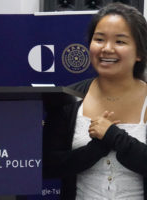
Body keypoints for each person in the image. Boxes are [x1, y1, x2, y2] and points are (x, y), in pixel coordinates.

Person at [43, 2, 147, 200]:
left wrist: (114, 137)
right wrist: (96, 149)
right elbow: (48, 166)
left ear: (140, 52)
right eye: (99, 39)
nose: (107, 49)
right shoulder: (67, 98)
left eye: (120, 41)